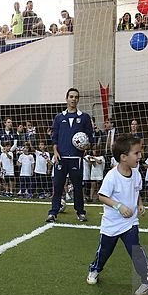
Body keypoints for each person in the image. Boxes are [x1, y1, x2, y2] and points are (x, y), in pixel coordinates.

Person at [86, 133, 148, 295]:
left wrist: (140, 205)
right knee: (104, 252)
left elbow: (136, 192)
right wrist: (119, 207)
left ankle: (147, 280)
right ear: (123, 157)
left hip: (130, 223)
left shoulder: (136, 173)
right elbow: (102, 196)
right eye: (136, 153)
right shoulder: (112, 176)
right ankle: (95, 269)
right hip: (112, 223)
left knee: (136, 250)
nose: (139, 156)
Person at [47, 88, 95, 223]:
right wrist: (55, 153)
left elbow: (90, 138)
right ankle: (53, 212)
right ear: (66, 98)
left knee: (78, 187)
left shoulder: (84, 117)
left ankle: (80, 212)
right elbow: (54, 137)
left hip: (76, 158)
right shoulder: (59, 117)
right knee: (57, 186)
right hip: (61, 158)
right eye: (71, 96)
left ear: (78, 99)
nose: (73, 99)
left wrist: (86, 146)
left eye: (76, 97)